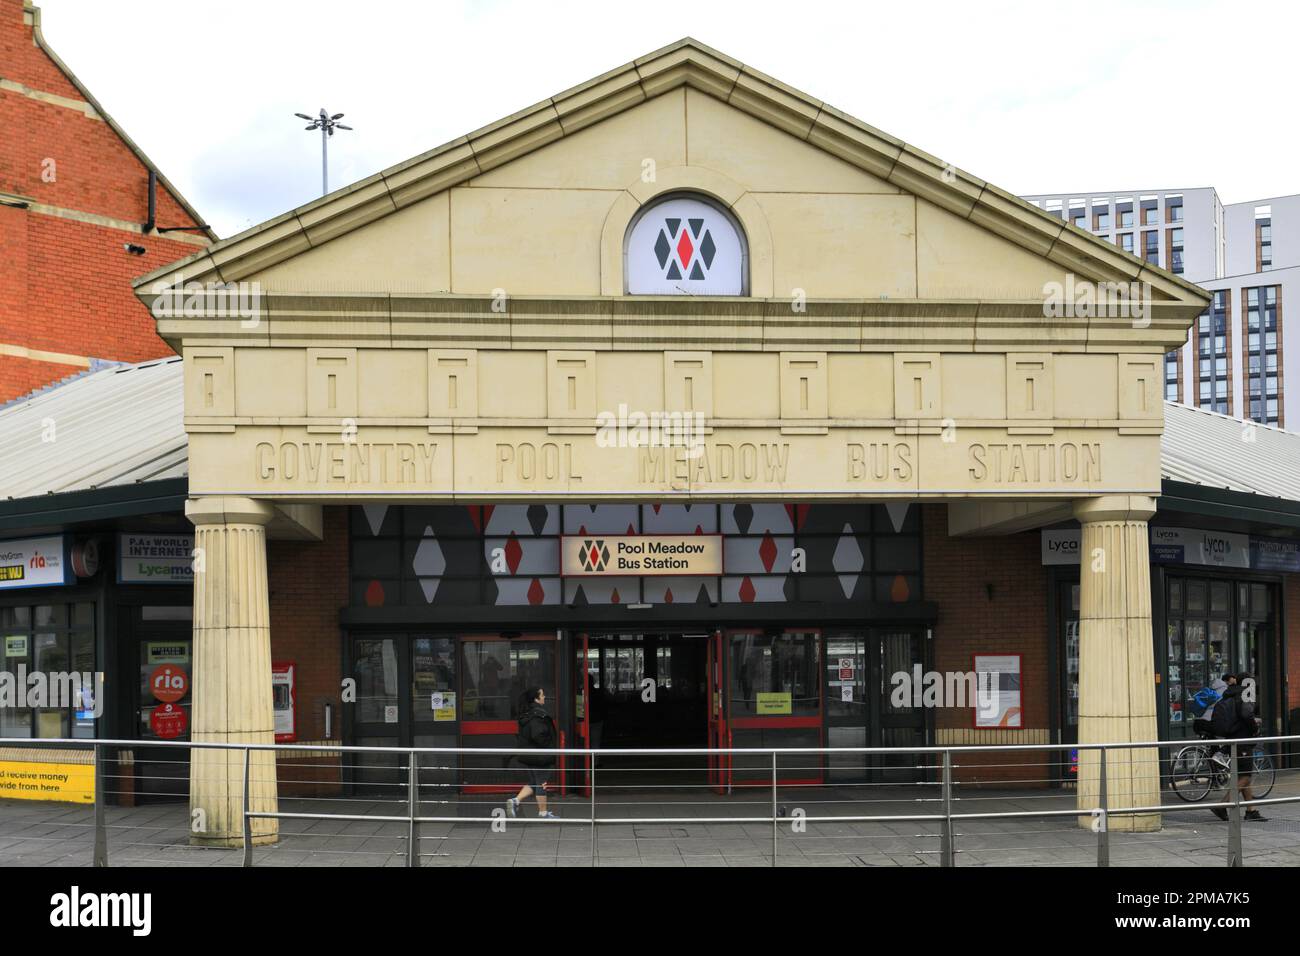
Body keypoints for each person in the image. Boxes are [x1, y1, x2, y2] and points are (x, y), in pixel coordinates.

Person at [1208, 672, 1267, 822]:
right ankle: (1222, 805)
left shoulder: (1230, 694)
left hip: (1233, 739)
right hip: (1243, 740)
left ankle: (1251, 810)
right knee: (1246, 776)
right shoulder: (1244, 695)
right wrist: (1254, 727)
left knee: (1242, 776)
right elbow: (1246, 714)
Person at [506, 687, 558, 820]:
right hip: (540, 756)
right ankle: (543, 813)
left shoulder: (527, 714)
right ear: (536, 699)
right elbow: (538, 735)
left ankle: (515, 801)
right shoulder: (538, 715)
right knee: (541, 783)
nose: (544, 697)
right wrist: (549, 746)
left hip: (530, 755)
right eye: (542, 695)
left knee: (534, 782)